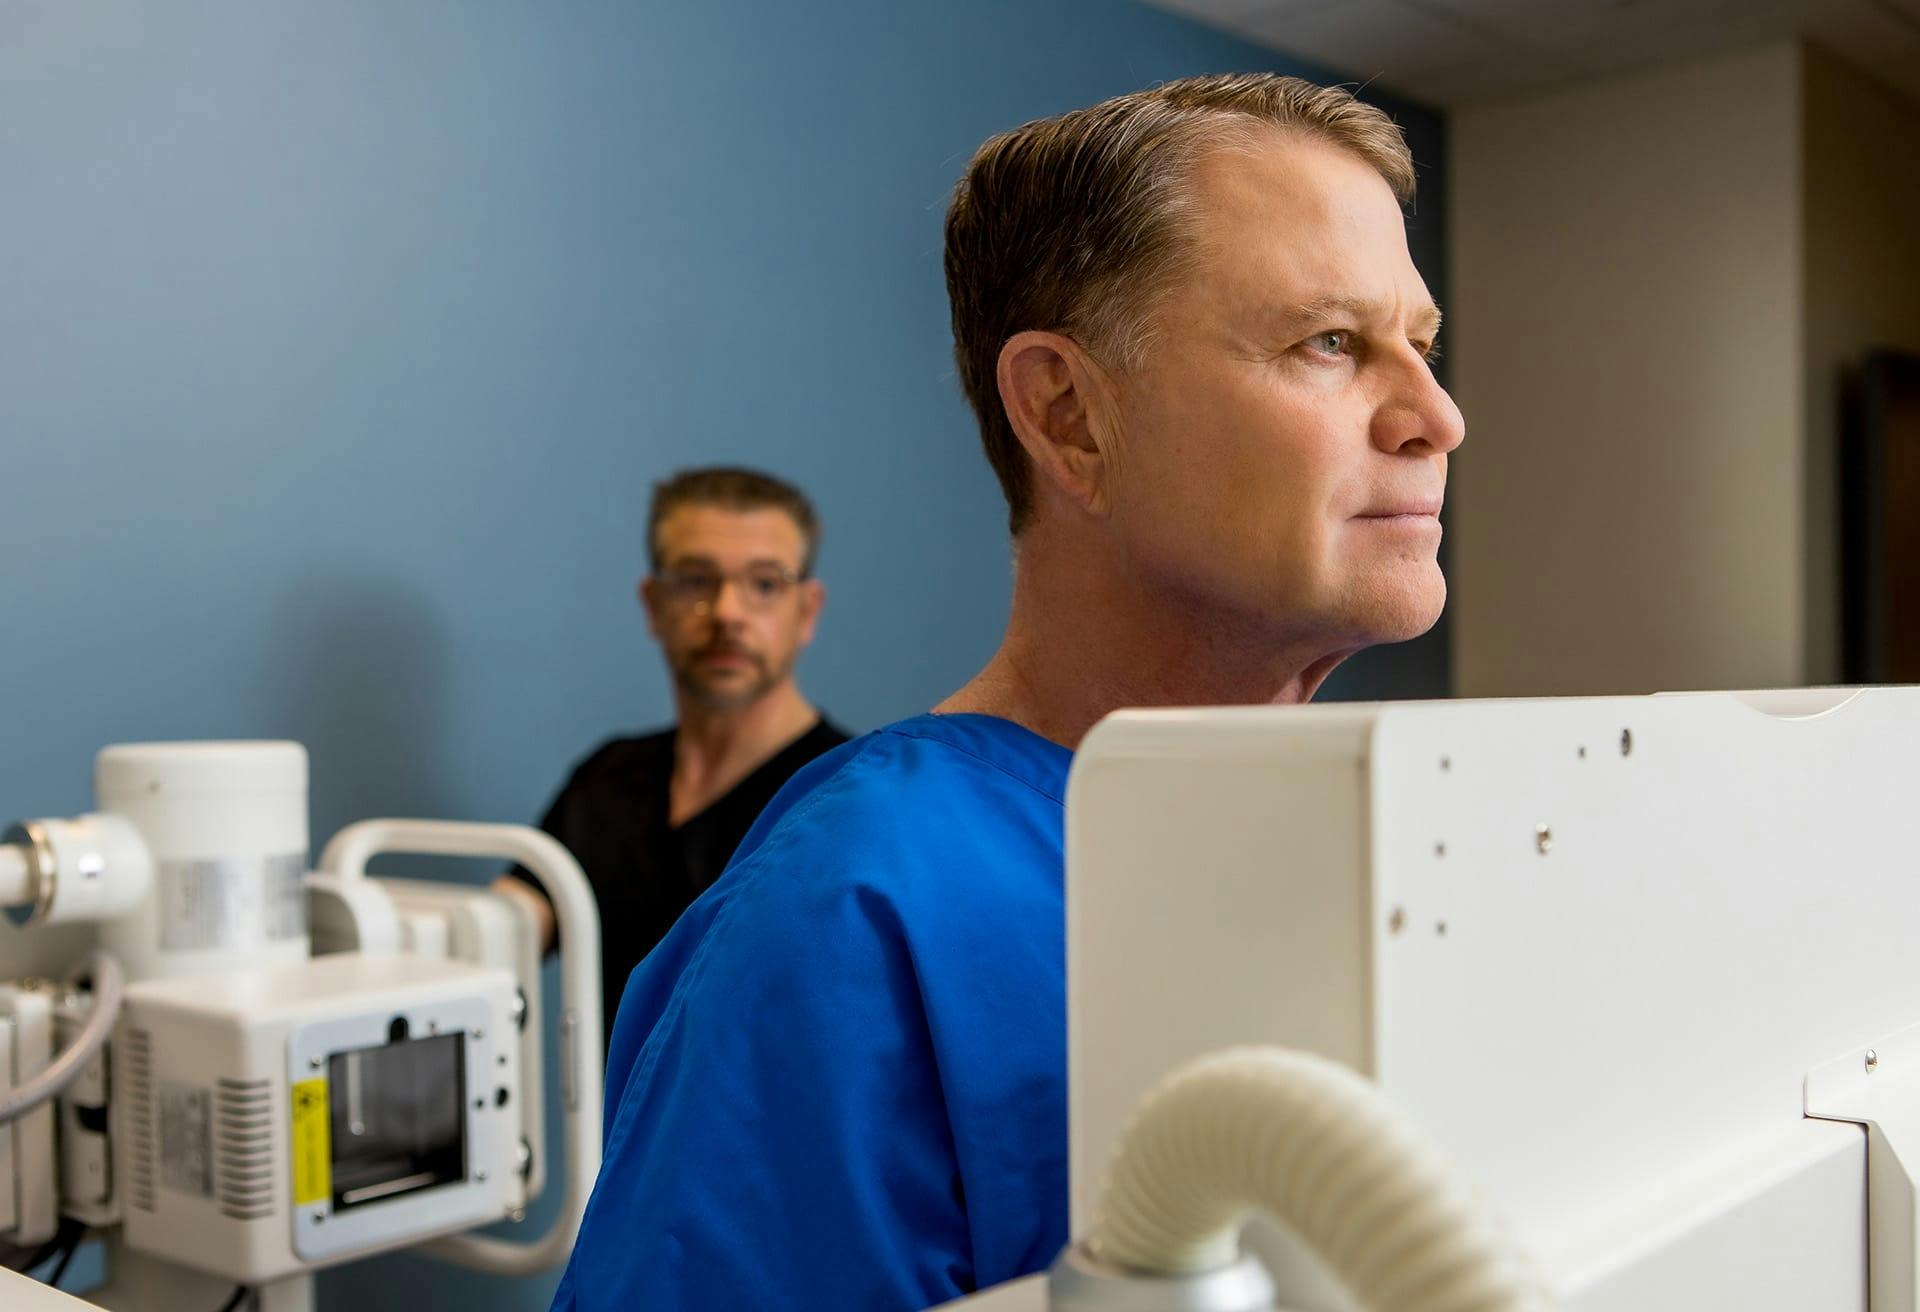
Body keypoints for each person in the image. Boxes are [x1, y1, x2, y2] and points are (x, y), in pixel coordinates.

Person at [551, 73, 1462, 1310]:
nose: (1435, 416)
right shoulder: (851, 915)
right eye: (1332, 343)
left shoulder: (1397, 861)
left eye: (1423, 345)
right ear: (1072, 415)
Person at [493, 466, 849, 1018]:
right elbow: (502, 934)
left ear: (807, 611)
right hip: (613, 1109)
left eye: (764, 583)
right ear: (653, 604)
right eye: (695, 580)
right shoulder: (609, 782)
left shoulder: (848, 797)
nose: (728, 612)